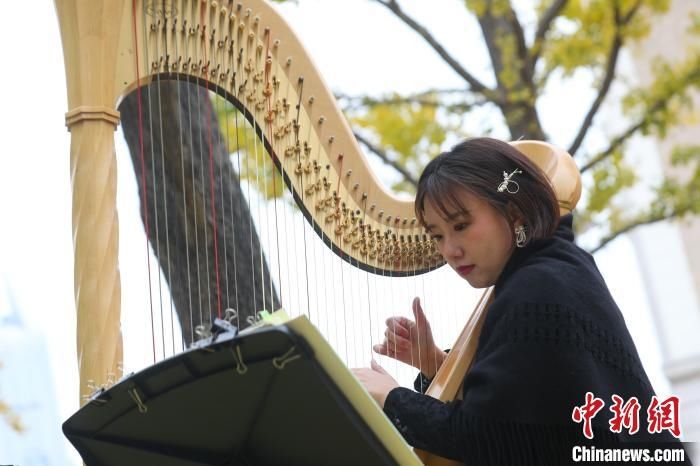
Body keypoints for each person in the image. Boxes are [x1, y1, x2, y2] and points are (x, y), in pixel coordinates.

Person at [352, 137, 689, 465]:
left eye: (461, 225)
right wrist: (435, 364)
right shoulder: (559, 268)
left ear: (513, 213)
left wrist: (392, 397)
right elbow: (539, 415)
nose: (449, 250)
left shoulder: (536, 288)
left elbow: (490, 439)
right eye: (438, 235)